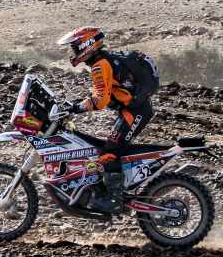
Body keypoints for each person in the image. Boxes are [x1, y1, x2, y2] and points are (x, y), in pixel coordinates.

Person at [51, 26, 159, 213]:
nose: (74, 53)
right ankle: (110, 189)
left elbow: (100, 101)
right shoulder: (103, 61)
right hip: (133, 108)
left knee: (111, 150)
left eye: (76, 48)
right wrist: (76, 103)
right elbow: (103, 93)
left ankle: (114, 199)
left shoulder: (100, 65)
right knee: (108, 148)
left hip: (135, 111)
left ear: (87, 45)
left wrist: (77, 107)